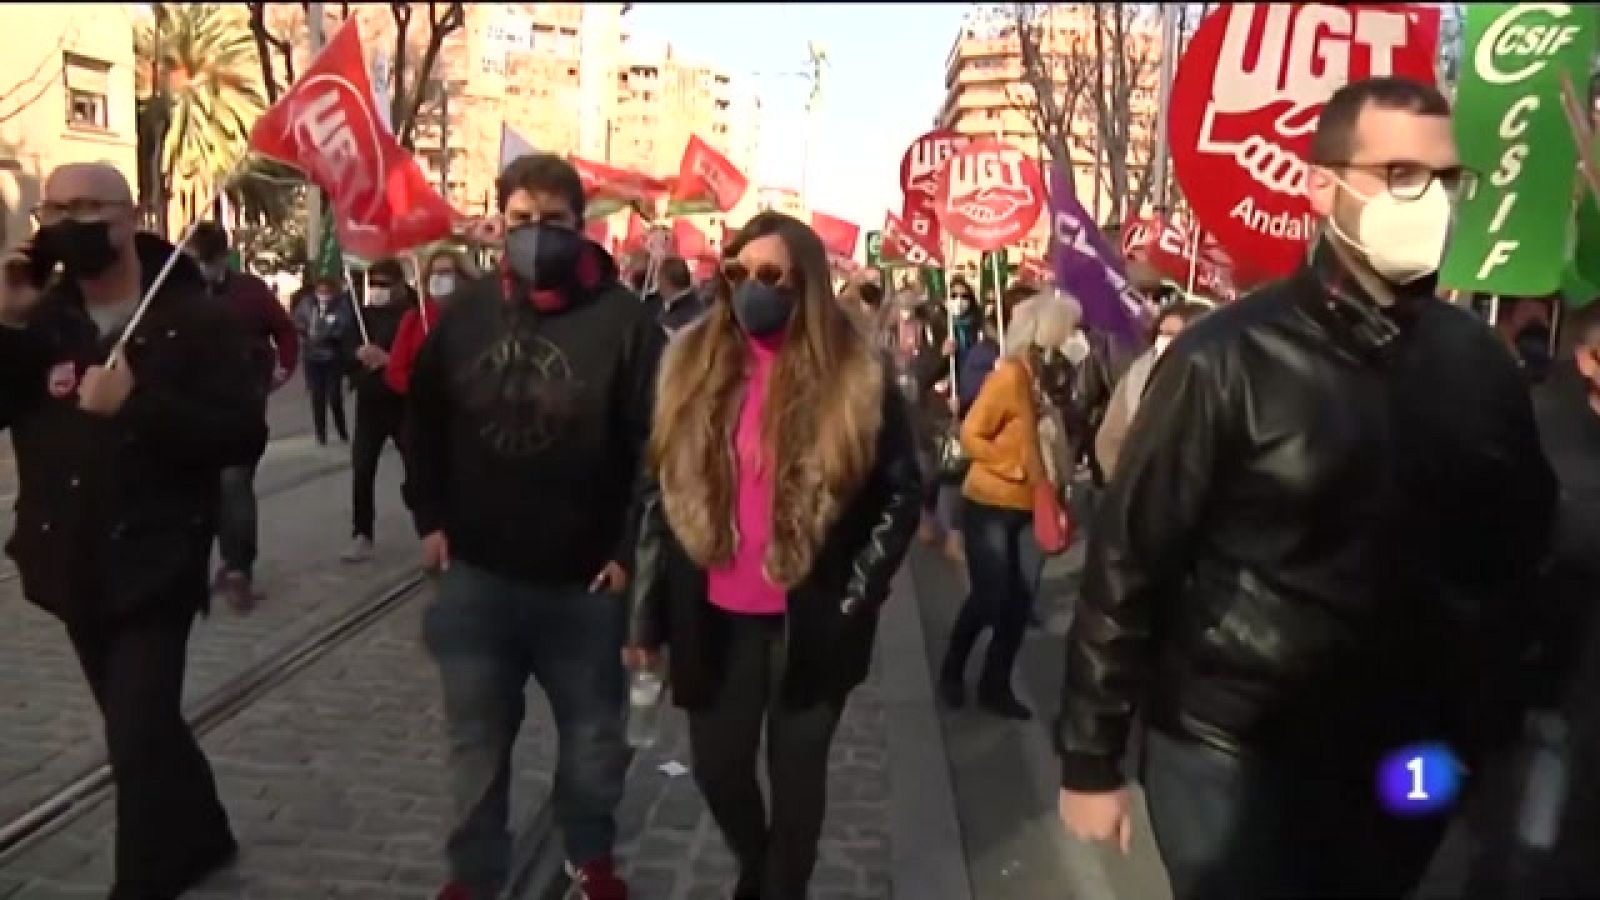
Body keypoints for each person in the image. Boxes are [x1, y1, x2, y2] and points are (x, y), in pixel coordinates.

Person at [1055, 77, 1556, 898]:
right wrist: (1090, 757)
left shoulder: (1480, 367)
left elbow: (1517, 557)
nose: (1428, 199)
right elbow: (1128, 560)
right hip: (1233, 754)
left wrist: (1487, 721)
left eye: (1445, 178)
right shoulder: (1224, 360)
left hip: (1407, 760)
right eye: (1398, 173)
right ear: (1322, 186)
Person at [624, 212, 922, 900]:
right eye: (736, 273)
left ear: (805, 284)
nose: (749, 288)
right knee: (718, 768)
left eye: (769, 275)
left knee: (797, 786)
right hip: (714, 617)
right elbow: (652, 494)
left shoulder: (855, 373)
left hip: (813, 619)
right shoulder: (687, 363)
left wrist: (856, 595)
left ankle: (779, 889)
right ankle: (759, 871)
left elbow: (902, 494)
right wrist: (643, 620)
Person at [0, 163, 265, 897]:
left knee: (137, 738)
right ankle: (204, 832)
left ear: (130, 215)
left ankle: (143, 882)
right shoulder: (44, 317)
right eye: (58, 207)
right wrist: (9, 323)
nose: (71, 221)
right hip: (68, 560)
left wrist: (138, 407)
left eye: (90, 206)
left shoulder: (196, 315)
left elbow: (243, 435)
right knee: (139, 725)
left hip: (157, 561)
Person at [408, 153, 663, 900]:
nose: (535, 234)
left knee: (593, 746)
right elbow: (421, 419)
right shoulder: (469, 314)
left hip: (584, 587)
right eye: (520, 220)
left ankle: (589, 862)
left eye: (552, 221)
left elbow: (657, 445)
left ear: (581, 228)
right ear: (499, 224)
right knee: (475, 748)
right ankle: (473, 876)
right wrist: (428, 517)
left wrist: (625, 554)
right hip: (478, 579)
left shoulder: (624, 321)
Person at [938, 289, 1082, 720]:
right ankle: (952, 670)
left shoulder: (1045, 378)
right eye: (1068, 331)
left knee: (1019, 604)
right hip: (993, 500)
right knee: (989, 596)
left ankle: (995, 684)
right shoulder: (1011, 377)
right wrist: (1014, 465)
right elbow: (970, 435)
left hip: (1033, 503)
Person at [185, 221, 299, 610]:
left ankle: (239, 571)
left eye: (205, 261)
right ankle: (223, 561)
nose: (200, 268)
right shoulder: (180, 293)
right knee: (206, 490)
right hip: (192, 407)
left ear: (221, 259)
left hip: (241, 406)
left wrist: (283, 369)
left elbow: (285, 331)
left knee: (234, 485)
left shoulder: (250, 291)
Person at [339, 258, 411, 563]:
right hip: (370, 402)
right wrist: (357, 353)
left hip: (405, 402)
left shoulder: (414, 312)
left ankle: (433, 526)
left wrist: (390, 359)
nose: (378, 290)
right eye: (375, 284)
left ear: (398, 284)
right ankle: (361, 532)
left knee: (418, 467)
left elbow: (423, 352)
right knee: (362, 467)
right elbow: (342, 351)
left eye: (385, 284)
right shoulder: (362, 315)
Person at [1093, 301, 1209, 480]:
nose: (1164, 340)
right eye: (1161, 332)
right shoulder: (1137, 375)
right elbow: (1109, 439)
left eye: (1173, 334)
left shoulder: (1216, 381)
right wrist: (1126, 481)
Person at [385, 246, 473, 397]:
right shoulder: (415, 318)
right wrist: (422, 387)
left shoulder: (478, 315)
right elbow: (394, 372)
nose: (438, 277)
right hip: (427, 411)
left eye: (445, 272)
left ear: (463, 277)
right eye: (433, 272)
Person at [293, 274, 354, 445]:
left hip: (333, 356)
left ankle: (342, 430)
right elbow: (297, 322)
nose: (324, 294)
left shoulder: (340, 305)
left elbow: (345, 325)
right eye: (320, 291)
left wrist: (329, 334)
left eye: (327, 291)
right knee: (317, 396)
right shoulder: (307, 303)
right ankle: (321, 433)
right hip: (312, 357)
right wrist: (305, 334)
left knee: (334, 396)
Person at [645, 255, 706, 334]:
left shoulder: (678, 318)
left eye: (658, 280)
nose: (658, 286)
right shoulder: (699, 306)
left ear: (665, 282)